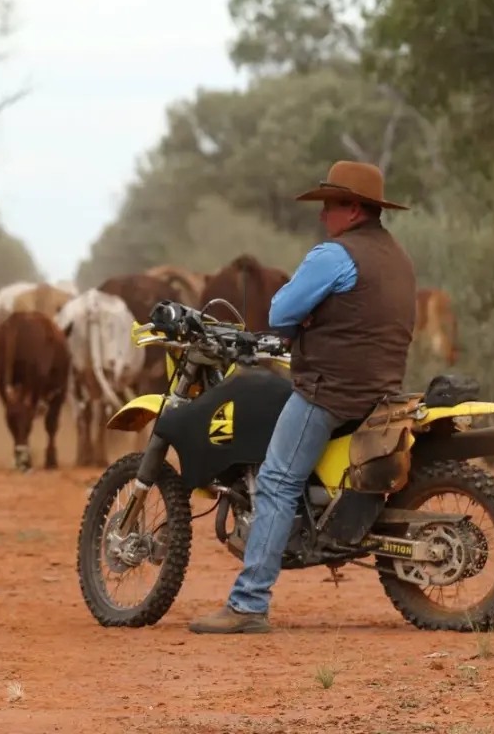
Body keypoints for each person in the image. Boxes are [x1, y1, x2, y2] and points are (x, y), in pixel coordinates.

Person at [189, 160, 417, 634]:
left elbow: (280, 309)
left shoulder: (333, 256)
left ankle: (249, 603)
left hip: (330, 389)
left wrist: (303, 323)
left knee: (275, 481)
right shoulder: (397, 256)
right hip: (382, 388)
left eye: (329, 206)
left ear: (353, 209)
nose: (322, 216)